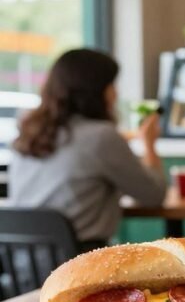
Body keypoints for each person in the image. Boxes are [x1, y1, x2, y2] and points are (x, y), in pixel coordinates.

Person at [10, 49, 166, 250]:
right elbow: (153, 195)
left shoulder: (28, 131)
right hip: (77, 267)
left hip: (20, 266)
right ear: (96, 90)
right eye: (111, 85)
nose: (116, 93)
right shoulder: (101, 136)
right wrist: (149, 144)